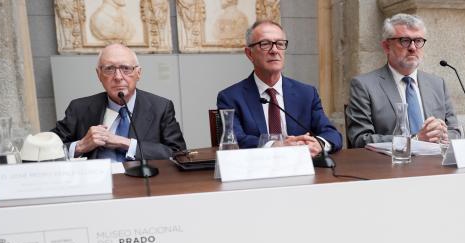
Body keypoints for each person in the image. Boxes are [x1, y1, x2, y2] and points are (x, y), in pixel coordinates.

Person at [216, 20, 342, 157]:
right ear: (249, 54)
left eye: (280, 44)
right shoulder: (231, 97)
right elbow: (235, 139)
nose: (274, 50)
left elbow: (332, 134)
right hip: (256, 171)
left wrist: (319, 144)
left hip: (302, 168)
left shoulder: (306, 94)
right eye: (265, 44)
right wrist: (276, 145)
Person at [52, 44, 186, 161]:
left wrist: (125, 143)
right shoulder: (79, 108)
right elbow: (47, 150)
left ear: (138, 73)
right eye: (109, 69)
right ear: (99, 74)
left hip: (143, 183)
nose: (117, 77)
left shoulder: (160, 107)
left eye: (126, 68)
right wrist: (80, 146)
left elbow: (178, 153)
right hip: (97, 183)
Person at [346, 13, 462, 148]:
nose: (413, 47)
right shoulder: (364, 85)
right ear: (386, 46)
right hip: (391, 165)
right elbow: (360, 139)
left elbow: (455, 130)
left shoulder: (437, 84)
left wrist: (443, 135)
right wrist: (415, 140)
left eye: (418, 41)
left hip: (435, 164)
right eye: (405, 40)